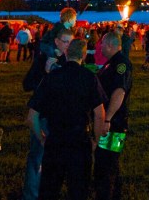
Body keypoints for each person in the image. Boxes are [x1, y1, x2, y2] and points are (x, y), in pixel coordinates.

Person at [29, 38, 107, 200]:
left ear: (66, 53)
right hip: (80, 142)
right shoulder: (89, 77)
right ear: (83, 55)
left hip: (55, 140)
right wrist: (96, 140)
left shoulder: (51, 77)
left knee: (49, 190)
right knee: (79, 191)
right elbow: (100, 114)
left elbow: (32, 116)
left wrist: (42, 138)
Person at [20, 28, 72, 200]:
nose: (68, 45)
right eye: (65, 41)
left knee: (55, 156)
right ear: (56, 41)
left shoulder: (68, 60)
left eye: (70, 42)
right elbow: (27, 84)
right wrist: (45, 74)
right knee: (38, 155)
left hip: (60, 116)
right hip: (43, 114)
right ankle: (31, 194)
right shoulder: (44, 59)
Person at [94, 31, 133, 200]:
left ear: (110, 45)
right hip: (111, 121)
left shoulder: (121, 64)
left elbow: (119, 92)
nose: (100, 47)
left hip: (115, 124)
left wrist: (107, 118)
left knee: (106, 164)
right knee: (110, 163)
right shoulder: (112, 62)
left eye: (102, 44)